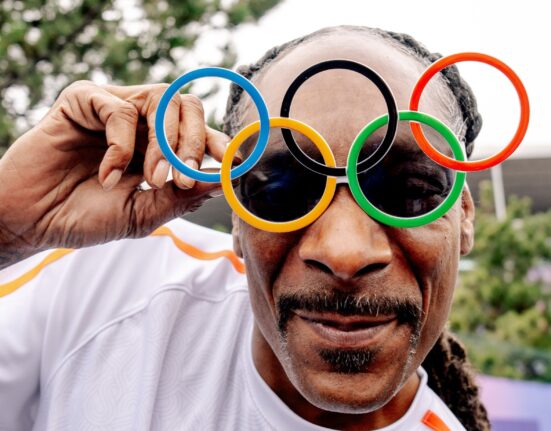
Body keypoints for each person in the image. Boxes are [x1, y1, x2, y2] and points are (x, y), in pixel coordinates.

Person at [0, 25, 491, 430]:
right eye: (281, 191)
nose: (344, 253)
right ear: (237, 217)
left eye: (408, 191)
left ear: (464, 215)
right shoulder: (100, 285)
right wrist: (8, 229)